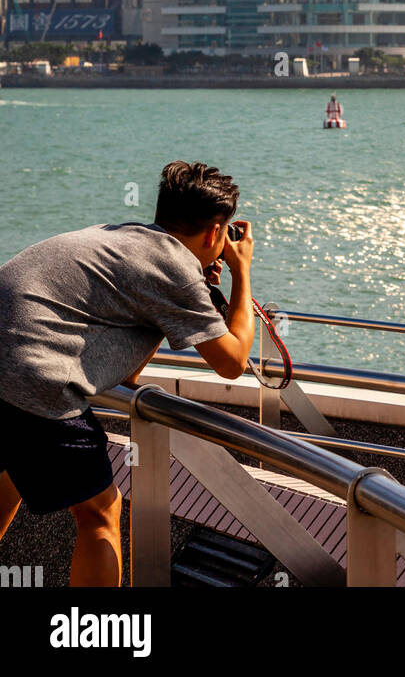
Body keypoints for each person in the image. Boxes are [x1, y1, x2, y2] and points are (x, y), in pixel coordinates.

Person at [0, 160, 255, 586]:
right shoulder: (173, 267)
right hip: (32, 376)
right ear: (215, 232)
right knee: (101, 510)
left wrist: (185, 298)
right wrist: (241, 272)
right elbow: (232, 362)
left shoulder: (122, 236)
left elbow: (129, 374)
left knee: (8, 473)